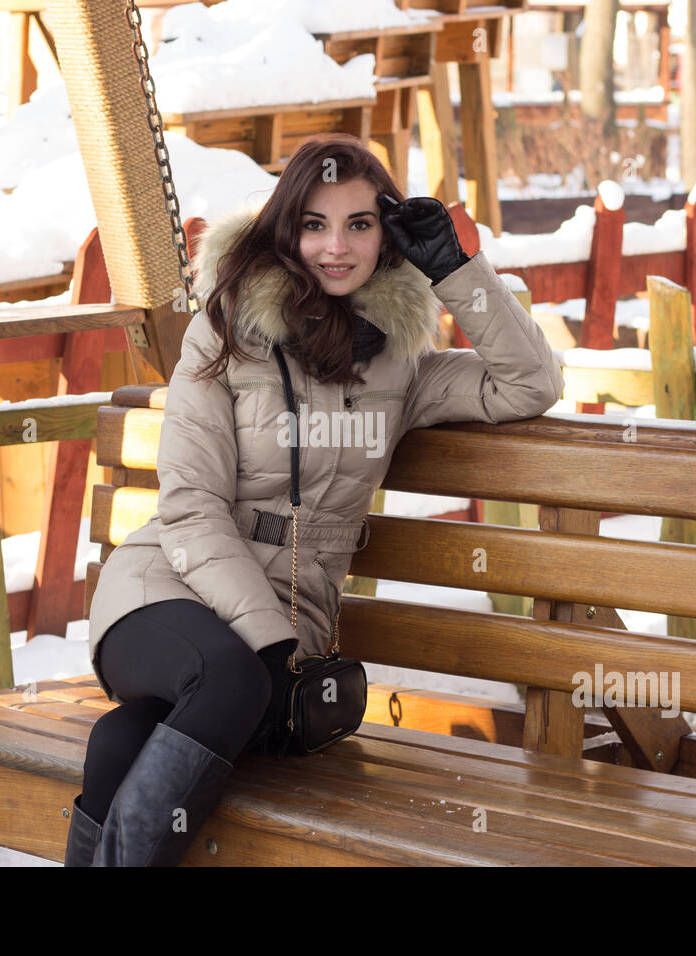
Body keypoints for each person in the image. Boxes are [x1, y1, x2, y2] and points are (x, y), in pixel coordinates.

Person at [65, 132, 565, 867]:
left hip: (292, 618)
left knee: (119, 741)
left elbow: (532, 384)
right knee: (228, 677)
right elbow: (193, 504)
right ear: (285, 229)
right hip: (165, 587)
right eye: (315, 224)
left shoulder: (403, 365)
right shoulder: (226, 334)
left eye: (359, 224)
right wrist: (268, 641)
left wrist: (459, 270)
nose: (337, 247)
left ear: (386, 235)